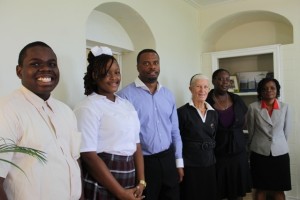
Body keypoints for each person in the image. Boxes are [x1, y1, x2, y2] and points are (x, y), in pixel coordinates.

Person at [0, 41, 82, 200]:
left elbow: (74, 162)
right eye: (35, 63)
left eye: (52, 64)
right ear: (19, 71)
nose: (46, 69)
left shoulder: (66, 111)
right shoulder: (7, 110)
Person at [73, 46, 145, 200]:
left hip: (129, 174)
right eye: (107, 73)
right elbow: (88, 155)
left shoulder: (126, 104)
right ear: (94, 75)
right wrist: (120, 192)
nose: (114, 77)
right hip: (103, 177)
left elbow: (136, 144)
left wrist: (141, 181)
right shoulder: (87, 107)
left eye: (117, 72)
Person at [117, 49, 183, 200]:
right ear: (138, 67)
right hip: (143, 164)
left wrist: (179, 162)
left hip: (168, 159)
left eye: (155, 63)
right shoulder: (125, 96)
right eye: (146, 63)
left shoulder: (168, 94)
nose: (152, 67)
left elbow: (175, 131)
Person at [206, 68, 251, 200]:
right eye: (220, 79)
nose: (224, 82)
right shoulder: (207, 102)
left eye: (227, 79)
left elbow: (244, 121)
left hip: (238, 152)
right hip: (218, 153)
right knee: (220, 190)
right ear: (213, 81)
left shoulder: (236, 99)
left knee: (238, 191)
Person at [247, 78, 292, 200]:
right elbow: (251, 130)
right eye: (265, 88)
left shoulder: (285, 107)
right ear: (260, 91)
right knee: (260, 188)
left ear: (277, 90)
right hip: (259, 153)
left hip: (280, 154)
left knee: (279, 188)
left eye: (272, 88)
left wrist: (278, 143)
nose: (269, 90)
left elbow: (286, 132)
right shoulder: (253, 107)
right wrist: (251, 148)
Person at [177, 74, 218, 200]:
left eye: (205, 87)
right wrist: (179, 165)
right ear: (190, 89)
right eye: (198, 87)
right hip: (190, 164)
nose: (202, 90)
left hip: (209, 163)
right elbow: (177, 140)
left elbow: (213, 137)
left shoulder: (213, 113)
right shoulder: (182, 112)